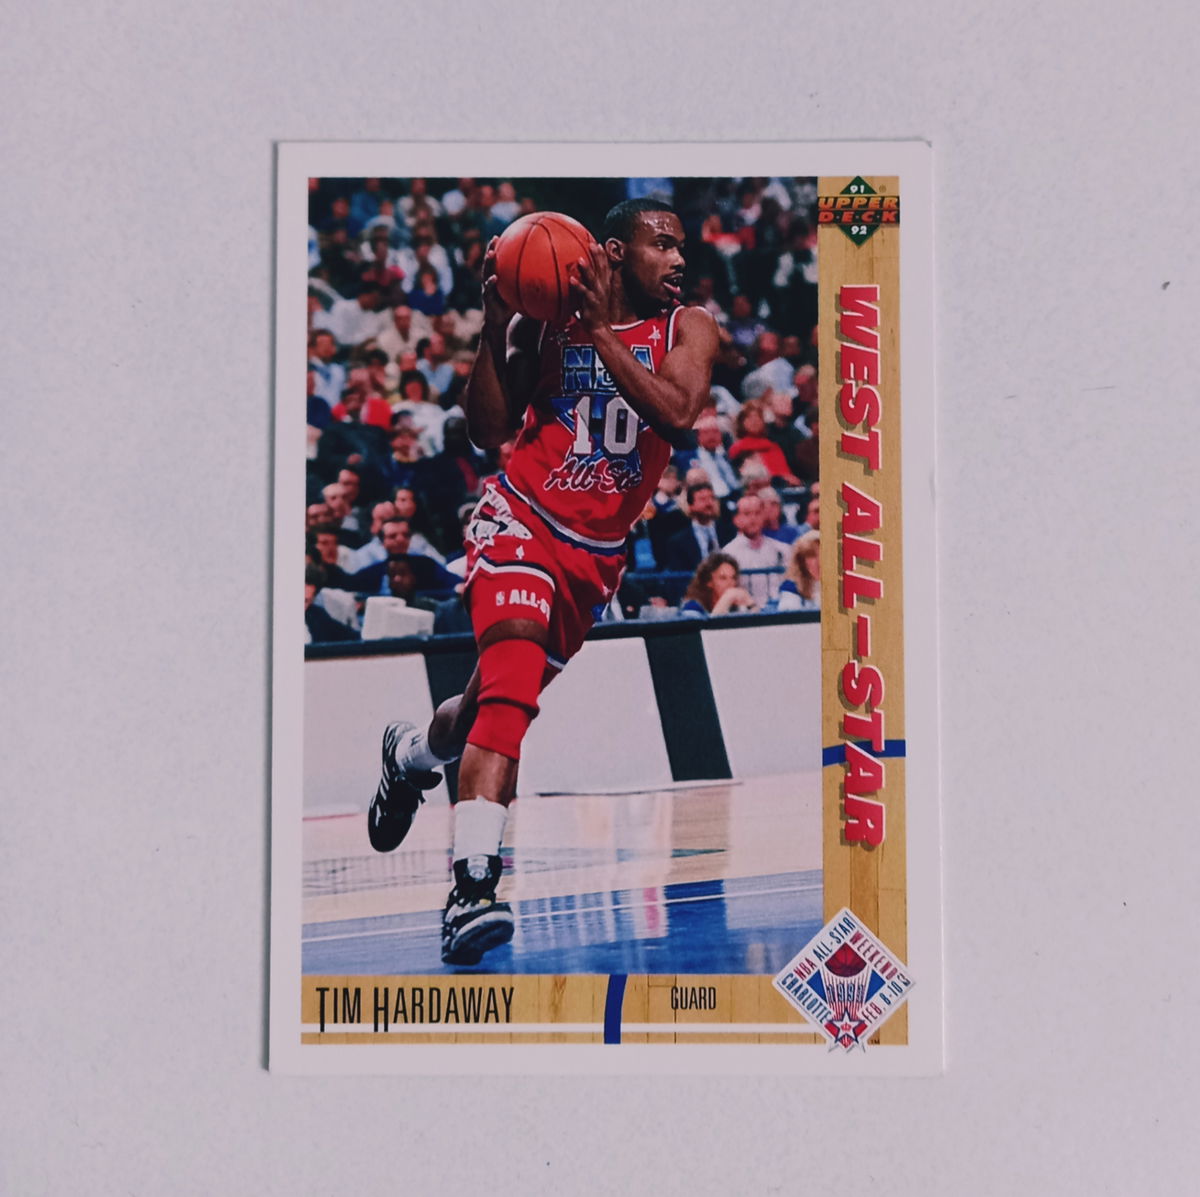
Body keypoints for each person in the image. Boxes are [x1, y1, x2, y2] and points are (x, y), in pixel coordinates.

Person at [366, 197, 718, 965]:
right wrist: (497, 324)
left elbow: (677, 413)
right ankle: (473, 886)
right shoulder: (547, 320)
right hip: (520, 518)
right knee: (512, 691)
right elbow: (488, 430)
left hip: (595, 558)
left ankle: (412, 755)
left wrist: (600, 333)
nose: (679, 260)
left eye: (681, 247)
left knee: (483, 707)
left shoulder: (688, 328)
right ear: (614, 252)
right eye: (662, 245)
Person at [679, 552, 758, 617]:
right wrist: (727, 598)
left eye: (733, 578)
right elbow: (709, 629)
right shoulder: (692, 606)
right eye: (723, 578)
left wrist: (751, 604)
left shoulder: (735, 606)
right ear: (709, 581)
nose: (730, 583)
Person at [777, 530, 820, 611]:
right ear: (801, 561)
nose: (819, 561)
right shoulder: (791, 589)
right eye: (811, 556)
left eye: (824, 554)